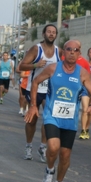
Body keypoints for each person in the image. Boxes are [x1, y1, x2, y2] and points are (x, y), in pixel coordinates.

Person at [25, 40, 91, 182]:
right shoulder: (53, 68)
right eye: (69, 49)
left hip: (70, 120)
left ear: (79, 54)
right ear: (63, 52)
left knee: (65, 155)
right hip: (52, 115)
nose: (72, 52)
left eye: (75, 50)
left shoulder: (82, 73)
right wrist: (33, 105)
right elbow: (36, 82)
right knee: (53, 147)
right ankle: (50, 169)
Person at [19, 24, 62, 162]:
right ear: (43, 34)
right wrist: (35, 65)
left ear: (56, 35)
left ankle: (43, 147)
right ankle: (29, 145)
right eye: (48, 32)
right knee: (32, 120)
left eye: (53, 32)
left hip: (50, 89)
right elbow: (21, 65)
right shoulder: (36, 49)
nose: (51, 34)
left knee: (48, 119)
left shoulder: (58, 51)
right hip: (35, 88)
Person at [78, 47, 91, 139]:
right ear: (88, 54)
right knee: (85, 109)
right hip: (85, 89)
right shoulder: (84, 64)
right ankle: (83, 130)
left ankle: (87, 128)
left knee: (90, 111)